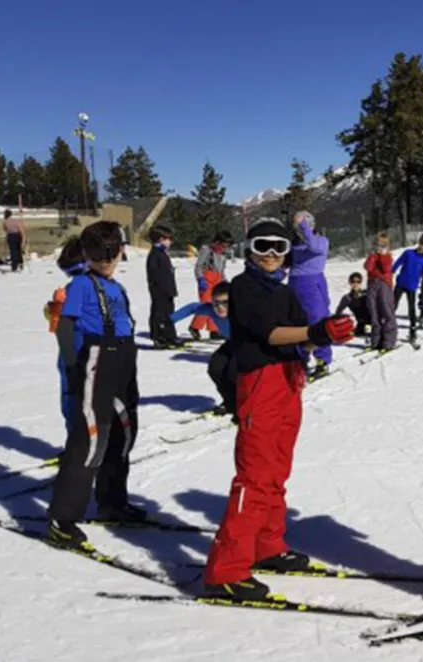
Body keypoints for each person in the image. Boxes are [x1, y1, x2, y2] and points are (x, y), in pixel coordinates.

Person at [203, 218, 354, 601]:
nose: (270, 255)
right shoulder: (243, 287)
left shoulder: (283, 291)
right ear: (249, 250)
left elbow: (300, 335)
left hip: (289, 379)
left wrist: (328, 332)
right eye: (262, 246)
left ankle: (267, 545)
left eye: (279, 248)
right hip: (259, 382)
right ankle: (226, 569)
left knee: (276, 468)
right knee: (254, 473)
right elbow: (270, 333)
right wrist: (316, 334)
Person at [47, 221, 143, 549]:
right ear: (86, 255)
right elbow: (65, 327)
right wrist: (73, 367)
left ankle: (112, 501)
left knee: (123, 432)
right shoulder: (82, 286)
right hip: (96, 357)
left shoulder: (116, 287)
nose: (106, 259)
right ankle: (63, 517)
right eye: (97, 253)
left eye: (111, 252)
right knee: (90, 437)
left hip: (123, 358)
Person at [171, 283, 237, 419]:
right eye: (216, 303)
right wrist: (169, 320)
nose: (220, 307)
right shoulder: (210, 310)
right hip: (231, 343)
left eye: (225, 303)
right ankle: (230, 402)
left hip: (249, 345)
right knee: (215, 367)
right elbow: (192, 308)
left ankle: (246, 403)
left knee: (233, 372)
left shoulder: (241, 310)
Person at [288, 211, 334, 380]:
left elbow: (314, 247)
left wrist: (304, 227)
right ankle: (300, 359)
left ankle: (322, 360)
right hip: (294, 284)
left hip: (312, 285)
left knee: (318, 322)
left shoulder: (321, 241)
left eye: (301, 226)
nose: (298, 230)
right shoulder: (295, 244)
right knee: (296, 324)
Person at [48, 238, 89, 425]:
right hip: (78, 353)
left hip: (77, 353)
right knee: (77, 399)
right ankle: (79, 443)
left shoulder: (74, 288)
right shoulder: (83, 287)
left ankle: (83, 440)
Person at [392, 236, 423, 343]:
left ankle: (412, 331)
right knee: (393, 305)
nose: (422, 247)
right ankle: (388, 327)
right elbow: (397, 263)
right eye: (421, 244)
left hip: (412, 286)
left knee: (411, 308)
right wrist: (390, 273)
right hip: (401, 283)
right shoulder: (408, 253)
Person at [191, 231, 232, 340]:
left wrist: (225, 283)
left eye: (227, 247)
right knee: (207, 304)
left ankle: (214, 330)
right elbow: (198, 266)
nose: (225, 248)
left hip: (217, 280)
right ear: (217, 242)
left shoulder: (222, 256)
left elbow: (222, 271)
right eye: (224, 245)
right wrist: (200, 278)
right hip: (207, 279)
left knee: (217, 305)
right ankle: (194, 327)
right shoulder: (206, 250)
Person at [146, 224, 181, 348]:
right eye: (168, 239)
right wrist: (159, 287)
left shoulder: (162, 253)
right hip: (159, 291)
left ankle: (170, 335)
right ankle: (158, 337)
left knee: (169, 313)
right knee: (159, 314)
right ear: (161, 239)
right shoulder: (155, 254)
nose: (170, 242)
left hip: (168, 290)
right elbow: (154, 274)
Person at [364, 234, 397, 351]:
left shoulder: (388, 257)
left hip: (384, 284)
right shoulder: (372, 256)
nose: (380, 247)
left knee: (387, 311)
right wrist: (373, 256)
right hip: (372, 284)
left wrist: (382, 255)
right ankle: (376, 340)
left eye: (383, 245)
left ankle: (389, 340)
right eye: (378, 244)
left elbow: (386, 268)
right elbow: (367, 267)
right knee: (374, 312)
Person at [334, 272, 371, 338]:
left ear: (361, 282)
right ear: (350, 282)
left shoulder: (367, 293)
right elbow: (338, 311)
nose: (355, 284)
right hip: (361, 323)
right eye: (353, 281)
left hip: (373, 321)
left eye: (358, 281)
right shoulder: (347, 297)